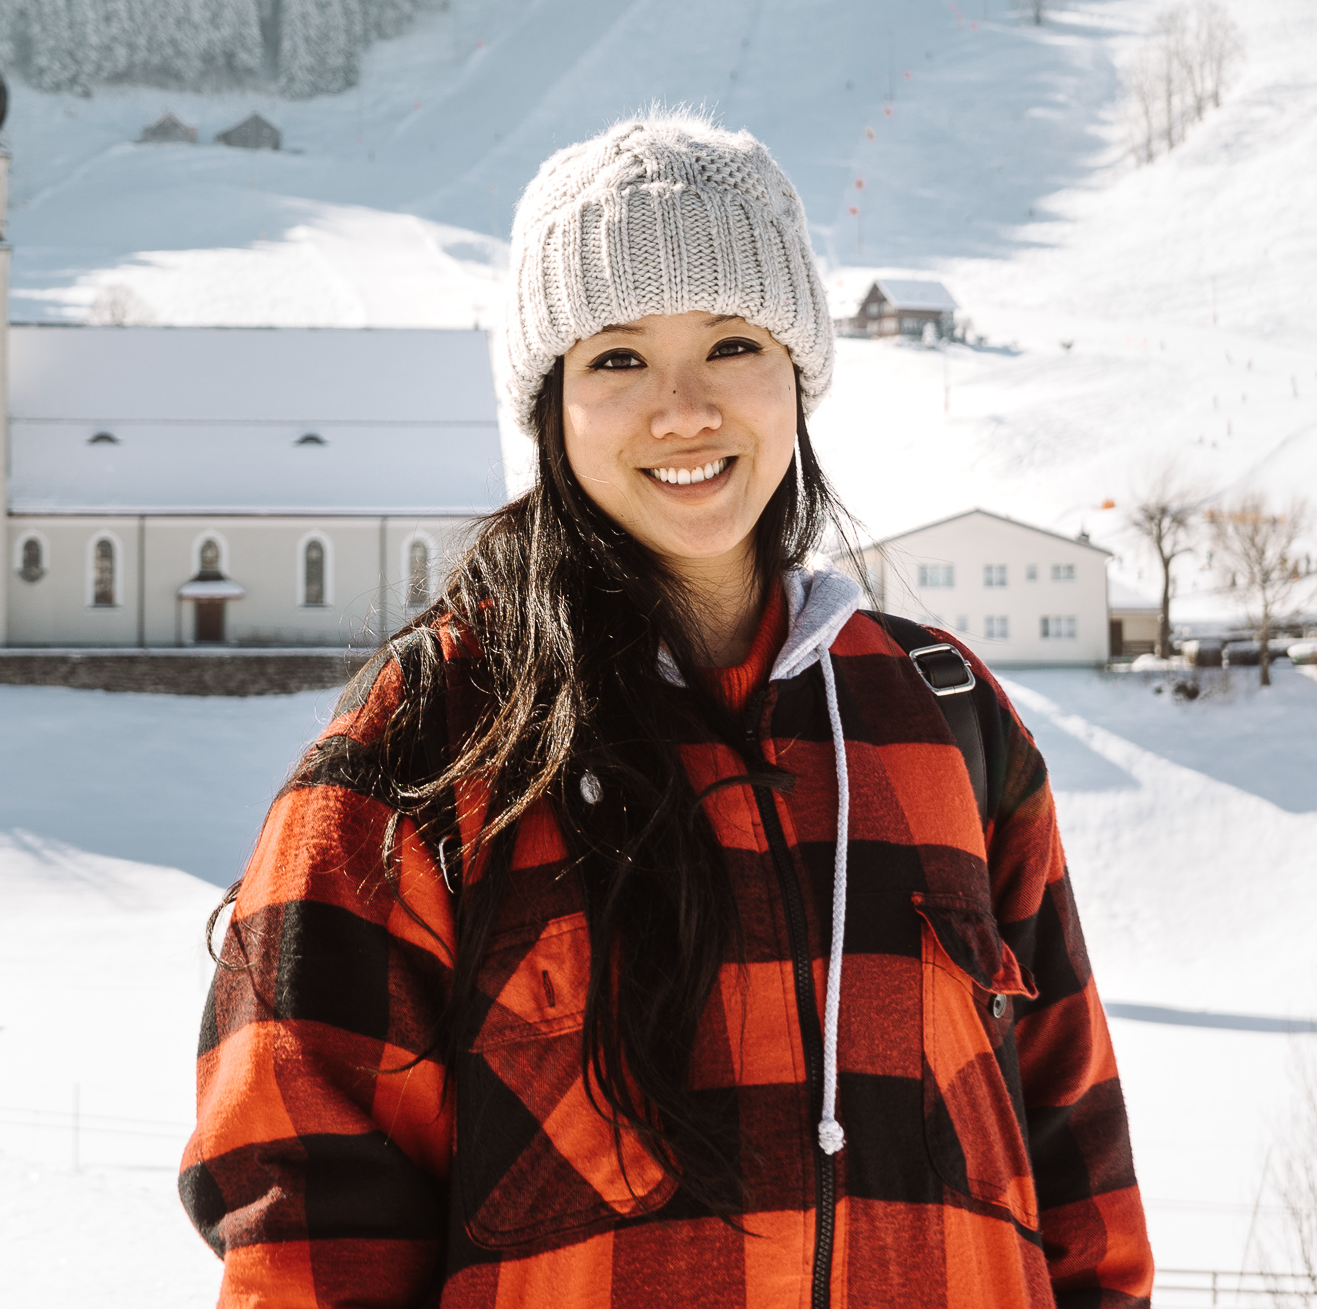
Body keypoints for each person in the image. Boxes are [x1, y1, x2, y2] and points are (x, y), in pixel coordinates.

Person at [180, 112, 1152, 1308]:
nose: (684, 409)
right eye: (618, 357)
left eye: (733, 342)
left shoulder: (938, 712)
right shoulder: (427, 746)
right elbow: (305, 1230)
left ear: (796, 375)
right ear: (551, 407)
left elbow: (1076, 1170)